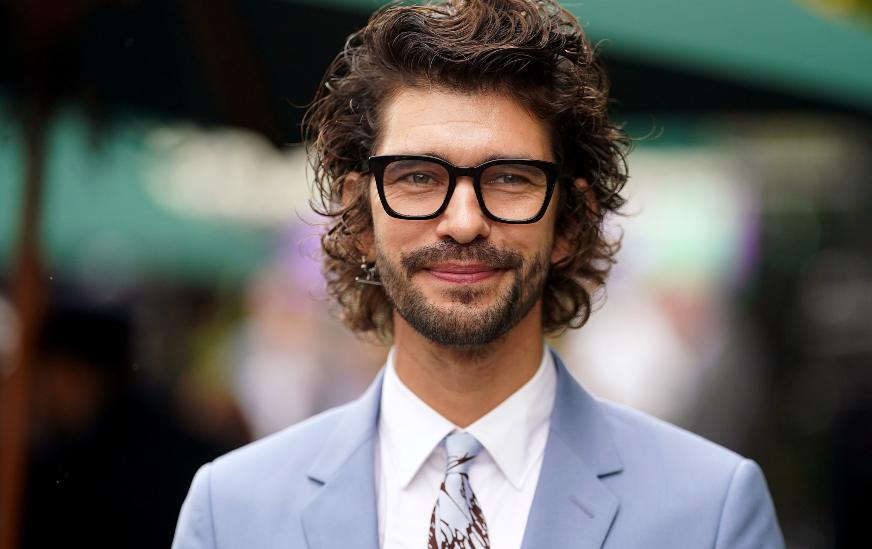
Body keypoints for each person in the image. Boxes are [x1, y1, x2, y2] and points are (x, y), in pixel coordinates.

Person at [172, 1, 785, 547]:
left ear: (571, 224)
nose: (462, 221)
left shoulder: (710, 510)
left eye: (510, 178)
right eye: (417, 176)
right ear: (359, 217)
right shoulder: (232, 512)